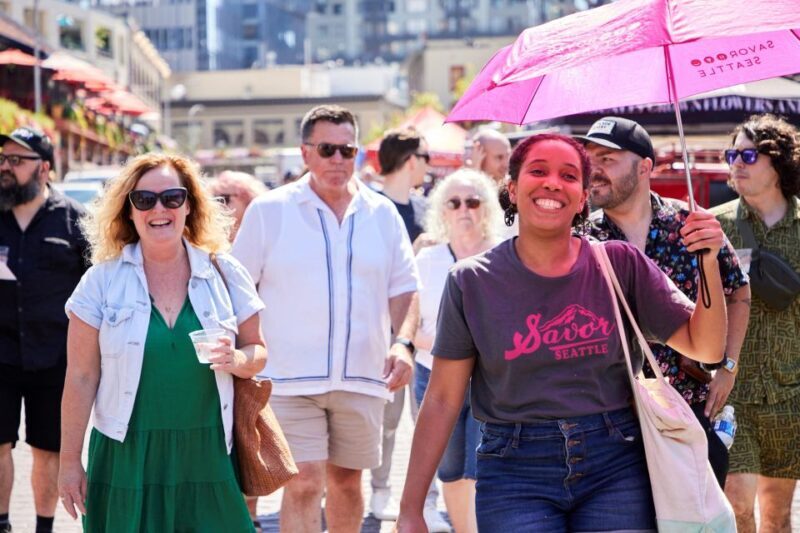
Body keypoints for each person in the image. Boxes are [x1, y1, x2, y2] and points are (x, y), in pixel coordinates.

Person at [397, 133, 729, 532]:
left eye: (569, 175)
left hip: (616, 463)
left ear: (583, 197)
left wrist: (709, 261)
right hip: (514, 470)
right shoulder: (471, 281)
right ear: (513, 189)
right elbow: (442, 399)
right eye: (538, 171)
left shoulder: (619, 263)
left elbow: (706, 348)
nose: (553, 182)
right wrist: (410, 508)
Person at [232, 104, 420, 533]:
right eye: (327, 148)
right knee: (303, 481)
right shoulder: (269, 210)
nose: (337, 159)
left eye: (347, 149)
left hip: (363, 376)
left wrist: (403, 343)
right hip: (289, 379)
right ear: (305, 153)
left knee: (348, 483)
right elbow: (238, 290)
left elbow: (405, 289)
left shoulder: (382, 213)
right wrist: (246, 359)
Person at [57, 153, 267, 532]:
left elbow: (259, 352)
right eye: (145, 199)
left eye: (172, 197)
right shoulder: (100, 282)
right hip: (126, 454)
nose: (159, 209)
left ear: (189, 205)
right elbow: (81, 377)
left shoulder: (224, 272)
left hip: (208, 453)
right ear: (128, 210)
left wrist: (236, 358)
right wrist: (69, 462)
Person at [581, 116, 750, 489]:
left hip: (687, 411)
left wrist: (729, 367)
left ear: (644, 167)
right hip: (612, 422)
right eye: (589, 158)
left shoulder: (692, 225)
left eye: (607, 159)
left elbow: (738, 291)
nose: (594, 169)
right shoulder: (582, 239)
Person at [711, 114, 800, 533]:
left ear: (778, 161)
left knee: (778, 517)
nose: (737, 164)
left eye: (749, 154)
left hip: (791, 395)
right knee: (737, 504)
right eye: (733, 155)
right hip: (733, 393)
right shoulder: (713, 226)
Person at [0, 127, 89, 533]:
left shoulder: (75, 221)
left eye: (17, 161)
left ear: (45, 168)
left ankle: (43, 527)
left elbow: (96, 291)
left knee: (47, 450)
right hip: (0, 354)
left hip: (56, 358)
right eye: (3, 159)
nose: (5, 167)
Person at [413, 168, 504, 533]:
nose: (464, 209)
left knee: (479, 467)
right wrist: (447, 351)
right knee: (449, 468)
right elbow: (408, 324)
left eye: (473, 201)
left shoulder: (504, 257)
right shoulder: (425, 260)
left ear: (487, 208)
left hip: (489, 379)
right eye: (454, 202)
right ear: (442, 210)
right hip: (433, 376)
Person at [369, 128, 448, 531]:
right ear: (411, 159)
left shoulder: (423, 208)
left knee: (428, 420)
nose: (429, 165)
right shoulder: (372, 208)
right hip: (384, 334)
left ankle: (427, 500)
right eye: (426, 157)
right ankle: (380, 492)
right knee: (385, 419)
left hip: (427, 335)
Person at [207, 170, 267, 241]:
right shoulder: (213, 237)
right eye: (213, 199)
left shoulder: (264, 232)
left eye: (223, 199)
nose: (217, 205)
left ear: (245, 196)